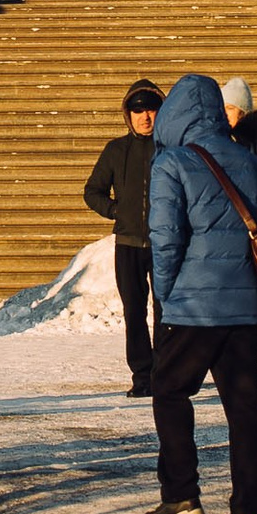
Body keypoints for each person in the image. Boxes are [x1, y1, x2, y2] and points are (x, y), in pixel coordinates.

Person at [143, 70, 257, 514]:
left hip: (193, 306)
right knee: (245, 409)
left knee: (169, 391)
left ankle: (182, 496)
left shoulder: (172, 164)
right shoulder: (252, 163)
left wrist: (165, 298)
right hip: (245, 306)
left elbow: (165, 241)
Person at [83, 82, 166, 392]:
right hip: (128, 244)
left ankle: (165, 374)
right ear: (128, 115)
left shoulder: (171, 148)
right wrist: (118, 211)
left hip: (165, 244)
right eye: (138, 110)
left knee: (165, 312)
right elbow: (92, 191)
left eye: (151, 109)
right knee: (134, 312)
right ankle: (142, 377)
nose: (145, 116)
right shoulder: (116, 150)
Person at [220, 78, 257, 182]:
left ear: (243, 112)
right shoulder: (219, 136)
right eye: (222, 108)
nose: (225, 114)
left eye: (230, 108)